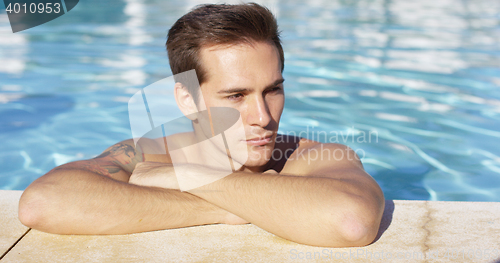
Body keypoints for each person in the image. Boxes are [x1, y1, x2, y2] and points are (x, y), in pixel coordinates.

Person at [18, 3, 384, 247]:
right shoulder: (150, 152)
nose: (263, 116)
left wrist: (187, 180)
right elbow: (43, 203)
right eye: (236, 96)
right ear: (187, 99)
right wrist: (227, 208)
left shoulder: (310, 156)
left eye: (273, 90)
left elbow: (352, 221)